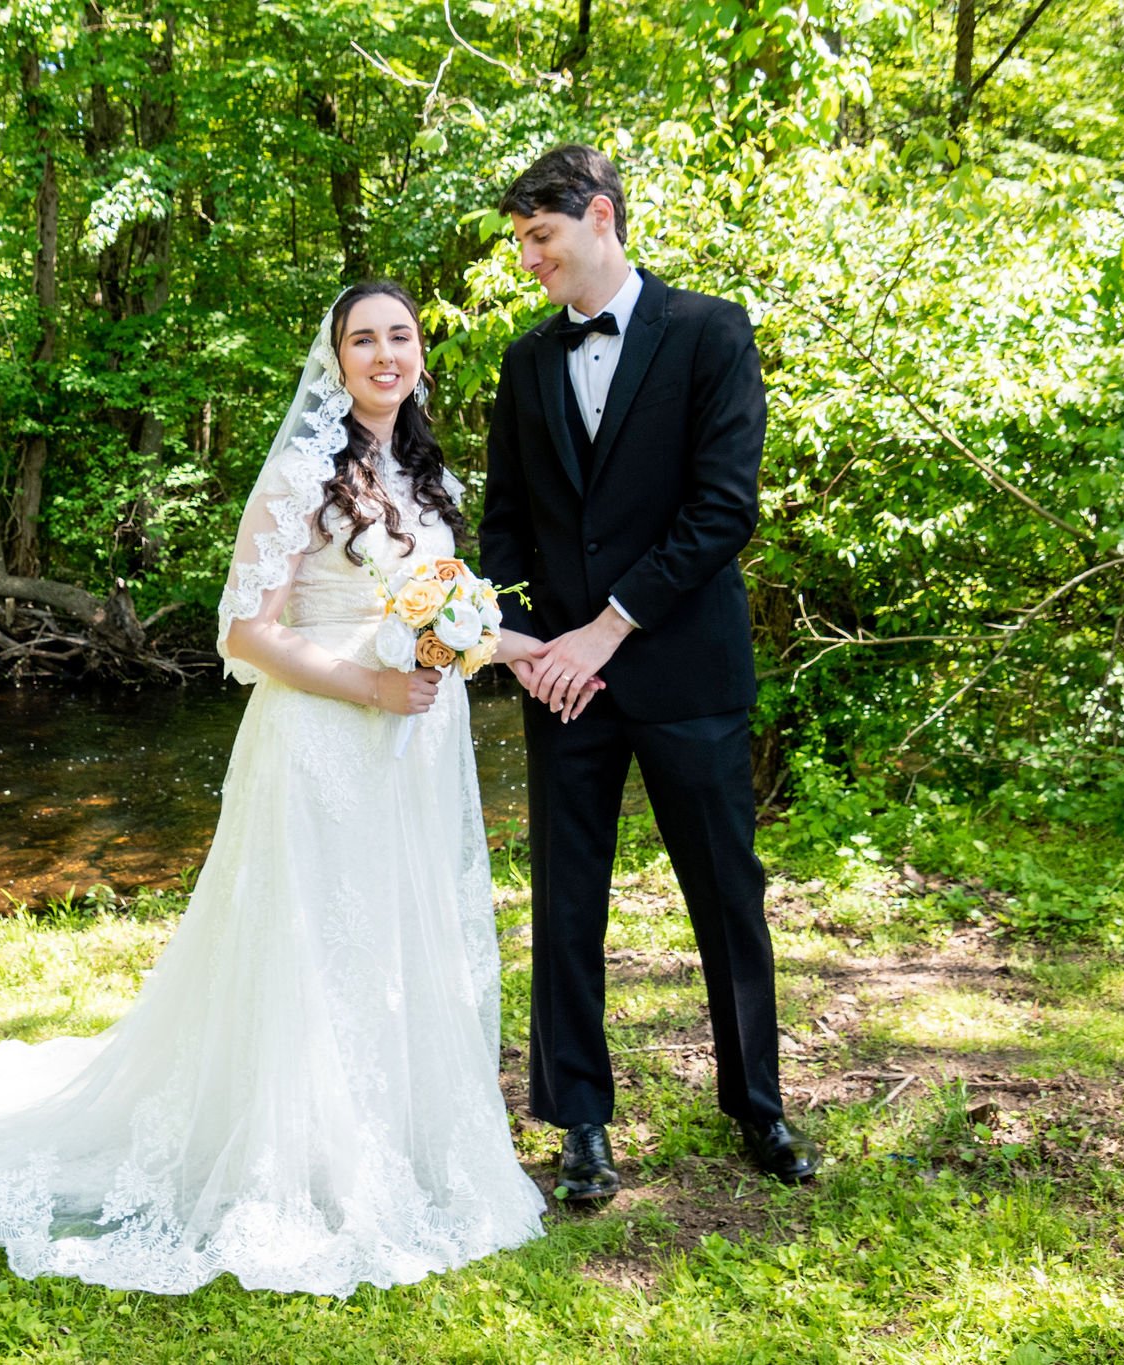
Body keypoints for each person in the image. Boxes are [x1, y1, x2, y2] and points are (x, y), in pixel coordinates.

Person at [0, 281, 550, 1295]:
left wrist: (540, 649)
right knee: (312, 944)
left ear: (422, 353)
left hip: (408, 753)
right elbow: (243, 633)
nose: (384, 354)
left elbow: (449, 614)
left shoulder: (427, 474)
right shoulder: (300, 472)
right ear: (334, 362)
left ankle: (395, 1143)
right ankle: (299, 1163)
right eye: (362, 340)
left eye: (400, 337)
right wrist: (371, 684)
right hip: (324, 740)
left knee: (387, 942)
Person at [478, 144, 822, 1201]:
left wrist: (605, 631)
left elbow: (721, 509)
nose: (529, 260)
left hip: (681, 670)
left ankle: (754, 1103)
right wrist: (529, 643)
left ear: (597, 217)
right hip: (560, 686)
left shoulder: (709, 331)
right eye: (521, 243)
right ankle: (578, 1121)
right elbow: (504, 527)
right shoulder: (524, 363)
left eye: (539, 238)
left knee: (725, 896)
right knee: (565, 904)